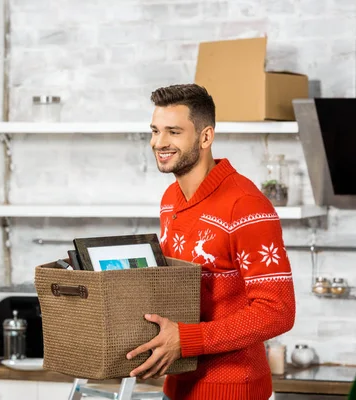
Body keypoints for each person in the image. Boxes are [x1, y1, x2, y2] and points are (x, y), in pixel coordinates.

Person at [126, 84, 296, 400]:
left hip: (232, 390)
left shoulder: (245, 205)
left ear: (205, 137)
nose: (159, 143)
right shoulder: (170, 199)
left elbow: (278, 311)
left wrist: (186, 340)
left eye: (173, 132)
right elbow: (174, 288)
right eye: (155, 131)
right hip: (177, 385)